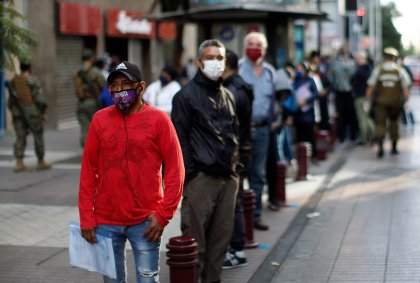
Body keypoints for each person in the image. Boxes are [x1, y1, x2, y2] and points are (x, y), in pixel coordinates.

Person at [78, 61, 185, 283]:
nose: (119, 90)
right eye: (114, 85)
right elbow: (88, 171)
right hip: (106, 220)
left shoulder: (159, 121)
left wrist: (164, 215)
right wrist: (87, 217)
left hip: (146, 221)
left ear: (141, 87)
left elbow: (175, 169)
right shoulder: (99, 120)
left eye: (126, 84)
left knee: (147, 279)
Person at [171, 39, 240, 283]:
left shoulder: (228, 95)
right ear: (200, 62)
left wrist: (236, 171)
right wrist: (191, 175)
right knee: (195, 245)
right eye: (210, 58)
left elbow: (236, 133)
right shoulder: (185, 96)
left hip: (227, 178)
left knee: (220, 243)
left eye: (220, 58)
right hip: (200, 179)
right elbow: (180, 139)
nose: (216, 63)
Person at [239, 32, 277, 230]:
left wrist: (276, 119)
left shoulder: (270, 72)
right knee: (239, 173)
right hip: (240, 131)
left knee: (258, 174)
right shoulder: (237, 68)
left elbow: (276, 99)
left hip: (262, 130)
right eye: (251, 43)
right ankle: (238, 219)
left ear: (264, 48)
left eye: (258, 44)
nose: (255, 47)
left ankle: (255, 215)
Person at [221, 49, 253, 269]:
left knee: (231, 203)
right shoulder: (241, 86)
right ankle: (237, 249)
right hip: (242, 150)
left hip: (234, 153)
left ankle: (234, 250)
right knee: (236, 201)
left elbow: (229, 127)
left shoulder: (231, 90)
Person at [366, 47, 411, 158]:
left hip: (381, 103)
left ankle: (380, 147)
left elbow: (370, 87)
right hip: (396, 103)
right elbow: (405, 88)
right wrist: (407, 102)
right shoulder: (400, 70)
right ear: (394, 58)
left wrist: (367, 100)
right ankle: (394, 147)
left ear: (384, 58)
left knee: (380, 124)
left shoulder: (378, 69)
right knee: (394, 123)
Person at [8, 61, 51, 172]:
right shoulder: (32, 80)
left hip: (17, 112)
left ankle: (19, 162)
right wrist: (42, 113)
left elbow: (10, 102)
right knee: (38, 136)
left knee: (20, 136)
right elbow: (40, 99)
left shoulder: (13, 81)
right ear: (29, 69)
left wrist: (14, 111)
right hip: (32, 112)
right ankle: (40, 162)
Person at [73, 49, 107, 147]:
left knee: (84, 128)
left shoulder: (76, 72)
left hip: (81, 103)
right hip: (93, 103)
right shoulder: (95, 71)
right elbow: (104, 85)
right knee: (96, 127)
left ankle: (86, 150)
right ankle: (95, 150)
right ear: (91, 58)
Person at [327, 47, 357, 143]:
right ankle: (352, 136)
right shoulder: (352, 64)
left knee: (340, 115)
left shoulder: (334, 64)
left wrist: (336, 84)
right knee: (351, 114)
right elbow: (356, 76)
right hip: (350, 92)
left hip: (338, 92)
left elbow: (330, 77)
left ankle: (342, 136)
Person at [292, 61, 320, 161]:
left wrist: (306, 100)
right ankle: (300, 158)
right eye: (297, 69)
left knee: (310, 136)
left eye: (300, 69)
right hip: (297, 113)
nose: (298, 71)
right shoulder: (294, 81)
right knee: (299, 137)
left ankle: (313, 156)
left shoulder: (310, 80)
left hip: (308, 113)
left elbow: (316, 94)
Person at [350, 50, 375, 145]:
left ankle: (364, 138)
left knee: (362, 118)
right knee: (366, 117)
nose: (356, 61)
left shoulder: (360, 71)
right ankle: (373, 135)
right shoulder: (370, 69)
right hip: (368, 97)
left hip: (361, 96)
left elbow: (352, 81)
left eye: (357, 59)